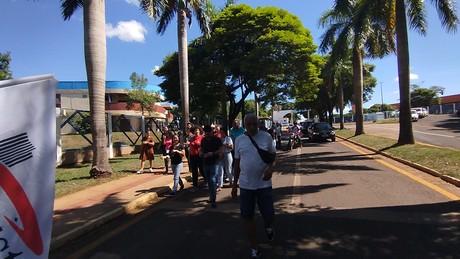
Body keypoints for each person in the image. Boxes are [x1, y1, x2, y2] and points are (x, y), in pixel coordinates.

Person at [232, 113, 277, 258]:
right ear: (244, 125)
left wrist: (271, 169)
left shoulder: (266, 137)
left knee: (269, 215)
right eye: (248, 124)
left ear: (258, 124)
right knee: (247, 217)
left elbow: (273, 157)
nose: (252, 127)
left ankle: (268, 227)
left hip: (264, 185)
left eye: (254, 124)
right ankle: (254, 247)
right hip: (246, 187)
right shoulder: (239, 140)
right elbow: (237, 164)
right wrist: (234, 185)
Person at [200, 125, 223, 208]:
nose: (207, 135)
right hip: (205, 162)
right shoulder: (203, 140)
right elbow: (201, 149)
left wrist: (213, 153)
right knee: (209, 180)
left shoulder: (216, 139)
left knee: (213, 179)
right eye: (205, 133)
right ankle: (211, 195)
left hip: (214, 162)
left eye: (208, 133)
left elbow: (221, 149)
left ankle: (213, 198)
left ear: (211, 132)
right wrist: (201, 153)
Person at [189, 127, 205, 192]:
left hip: (200, 157)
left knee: (202, 170)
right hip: (193, 156)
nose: (196, 132)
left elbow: (204, 147)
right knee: (194, 171)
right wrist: (189, 156)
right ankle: (195, 186)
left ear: (199, 131)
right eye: (195, 131)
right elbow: (190, 148)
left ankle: (207, 180)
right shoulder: (192, 139)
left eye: (197, 130)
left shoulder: (202, 138)